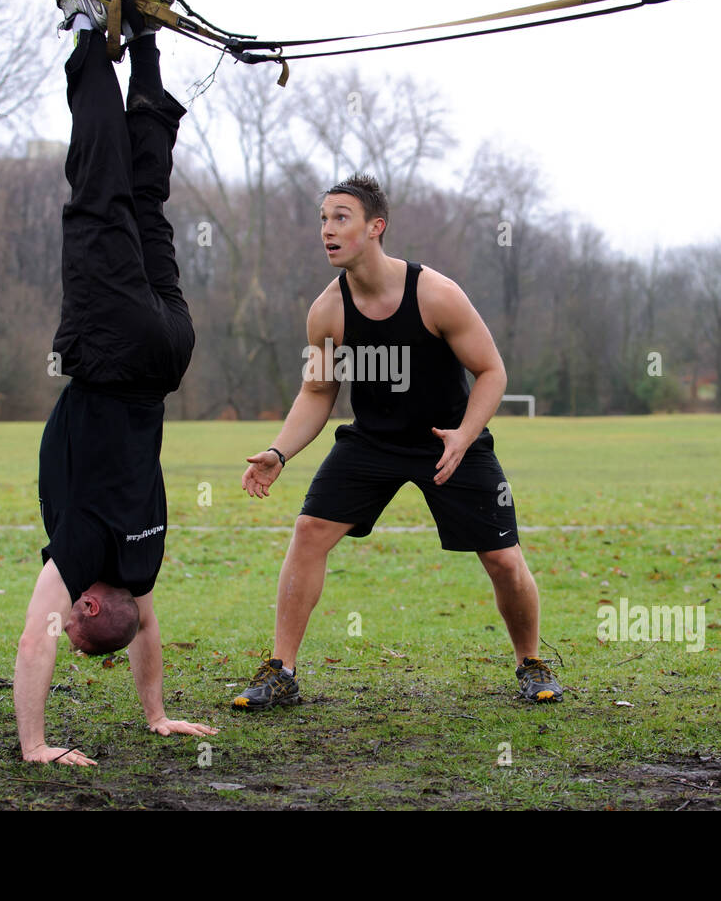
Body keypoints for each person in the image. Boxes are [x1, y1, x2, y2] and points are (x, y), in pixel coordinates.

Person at [233, 174, 564, 709]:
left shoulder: (436, 294)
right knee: (310, 530)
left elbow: (492, 372)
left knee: (503, 559)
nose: (328, 230)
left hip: (449, 440)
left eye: (342, 217)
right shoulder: (327, 311)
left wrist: (465, 435)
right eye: (323, 219)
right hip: (373, 442)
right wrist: (278, 452)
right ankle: (282, 670)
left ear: (375, 227)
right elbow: (318, 391)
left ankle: (532, 662)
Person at [14, 0, 215, 766]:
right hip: (116, 347)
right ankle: (90, 34)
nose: (62, 613)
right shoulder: (89, 552)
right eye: (74, 614)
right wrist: (35, 746)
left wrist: (157, 714)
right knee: (97, 193)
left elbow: (145, 636)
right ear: (89, 600)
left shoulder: (145, 558)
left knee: (142, 200)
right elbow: (37, 641)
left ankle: (145, 46)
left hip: (170, 351)